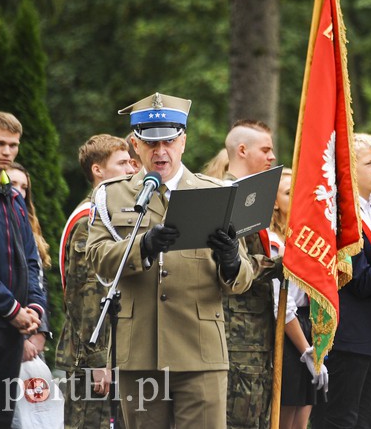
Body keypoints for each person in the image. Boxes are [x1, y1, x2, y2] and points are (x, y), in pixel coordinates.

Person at [86, 93, 258, 429]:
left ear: (183, 142)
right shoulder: (112, 194)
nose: (160, 151)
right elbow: (98, 260)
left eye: (168, 140)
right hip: (139, 353)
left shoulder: (215, 191)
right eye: (151, 143)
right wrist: (143, 246)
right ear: (135, 145)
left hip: (200, 351)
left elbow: (244, 277)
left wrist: (230, 260)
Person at [311, 133, 371, 429]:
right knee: (342, 418)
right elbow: (359, 281)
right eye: (369, 163)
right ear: (349, 167)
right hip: (349, 334)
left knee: (369, 419)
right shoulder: (343, 214)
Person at [55, 134, 135, 428]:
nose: (130, 168)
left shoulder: (109, 216)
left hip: (114, 352)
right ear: (97, 170)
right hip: (91, 357)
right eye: (122, 162)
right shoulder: (88, 222)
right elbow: (86, 300)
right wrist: (98, 362)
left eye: (130, 162)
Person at [0, 111, 46, 427]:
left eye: (14, 145)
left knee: (0, 420)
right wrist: (12, 308)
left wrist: (33, 306)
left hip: (12, 329)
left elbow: (30, 260)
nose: (7, 152)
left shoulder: (13, 198)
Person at [223, 119, 281, 429]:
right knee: (240, 421)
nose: (272, 157)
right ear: (242, 150)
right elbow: (230, 268)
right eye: (266, 150)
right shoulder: (227, 197)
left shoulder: (250, 196)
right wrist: (282, 263)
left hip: (256, 336)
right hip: (237, 337)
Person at [268, 168, 326, 429]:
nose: (297, 199)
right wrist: (306, 351)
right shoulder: (272, 240)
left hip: (308, 327)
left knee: (303, 418)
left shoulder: (306, 238)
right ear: (275, 204)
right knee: (284, 418)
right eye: (289, 193)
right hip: (288, 332)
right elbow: (281, 303)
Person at [7, 162, 53, 364]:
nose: (19, 191)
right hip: (6, 331)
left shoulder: (31, 232)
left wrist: (41, 331)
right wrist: (19, 340)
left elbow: (39, 284)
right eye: (13, 183)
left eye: (24, 187)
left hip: (32, 327)